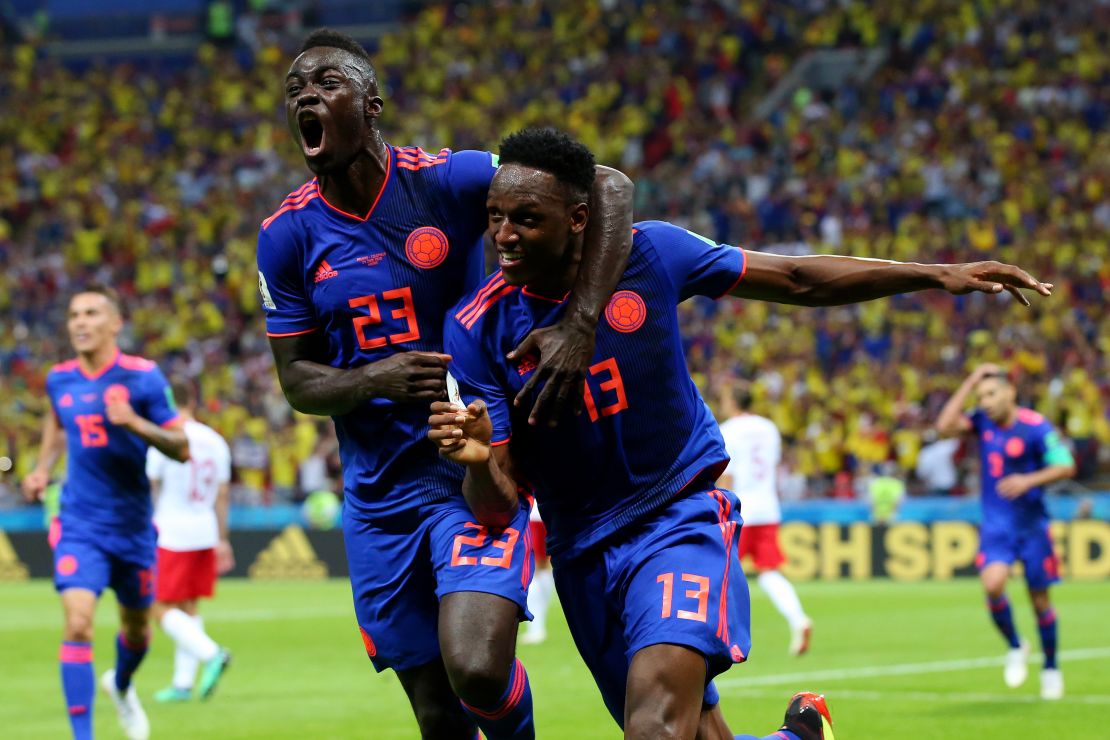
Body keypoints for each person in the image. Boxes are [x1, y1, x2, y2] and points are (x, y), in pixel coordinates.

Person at [429, 127, 1052, 739]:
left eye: (526, 219)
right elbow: (498, 503)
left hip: (675, 518)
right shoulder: (476, 327)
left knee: (656, 730)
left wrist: (933, 274)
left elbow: (796, 279)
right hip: (580, 548)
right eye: (495, 216)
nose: (504, 236)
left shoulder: (652, 254)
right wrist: (478, 461)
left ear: (578, 219)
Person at [256, 29, 633, 740]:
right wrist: (375, 377)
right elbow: (298, 382)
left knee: (479, 670)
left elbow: (605, 184)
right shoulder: (286, 235)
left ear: (373, 106)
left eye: (327, 81)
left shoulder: (447, 179)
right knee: (436, 713)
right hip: (379, 497)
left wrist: (581, 324)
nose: (306, 93)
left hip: (473, 467)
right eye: (295, 90)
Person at [21, 284, 190, 740]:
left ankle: (121, 684)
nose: (80, 322)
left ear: (115, 323)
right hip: (79, 522)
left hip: (133, 527)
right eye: (74, 314)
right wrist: (41, 469)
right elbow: (57, 421)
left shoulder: (144, 377)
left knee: (136, 630)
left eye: (92, 313)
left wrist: (134, 422)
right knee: (77, 621)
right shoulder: (60, 379)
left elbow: (182, 447)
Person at [936, 364, 1076, 700]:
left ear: (1010, 392)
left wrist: (1029, 480)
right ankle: (1016, 645)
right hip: (997, 525)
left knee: (1040, 601)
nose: (984, 401)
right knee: (993, 583)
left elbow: (1066, 465)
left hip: (1032, 526)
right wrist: (970, 379)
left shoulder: (1035, 427)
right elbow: (943, 426)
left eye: (990, 393)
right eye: (980, 396)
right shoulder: (981, 422)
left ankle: (1052, 667)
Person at [147, 378, 234, 703]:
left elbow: (151, 489)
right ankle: (183, 684)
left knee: (155, 605)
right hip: (205, 529)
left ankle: (211, 653)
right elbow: (222, 495)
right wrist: (222, 539)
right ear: (192, 402)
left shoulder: (166, 437)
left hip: (171, 531)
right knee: (188, 606)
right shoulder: (215, 440)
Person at [718, 384, 813, 657]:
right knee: (769, 571)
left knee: (722, 572)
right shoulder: (769, 428)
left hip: (740, 508)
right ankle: (798, 619)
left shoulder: (728, 430)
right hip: (768, 506)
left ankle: (727, 639)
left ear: (733, 400)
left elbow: (728, 474)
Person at [519, 504, 554, 646]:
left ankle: (537, 629)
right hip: (547, 512)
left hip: (533, 514)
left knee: (533, 569)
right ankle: (539, 626)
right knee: (543, 567)